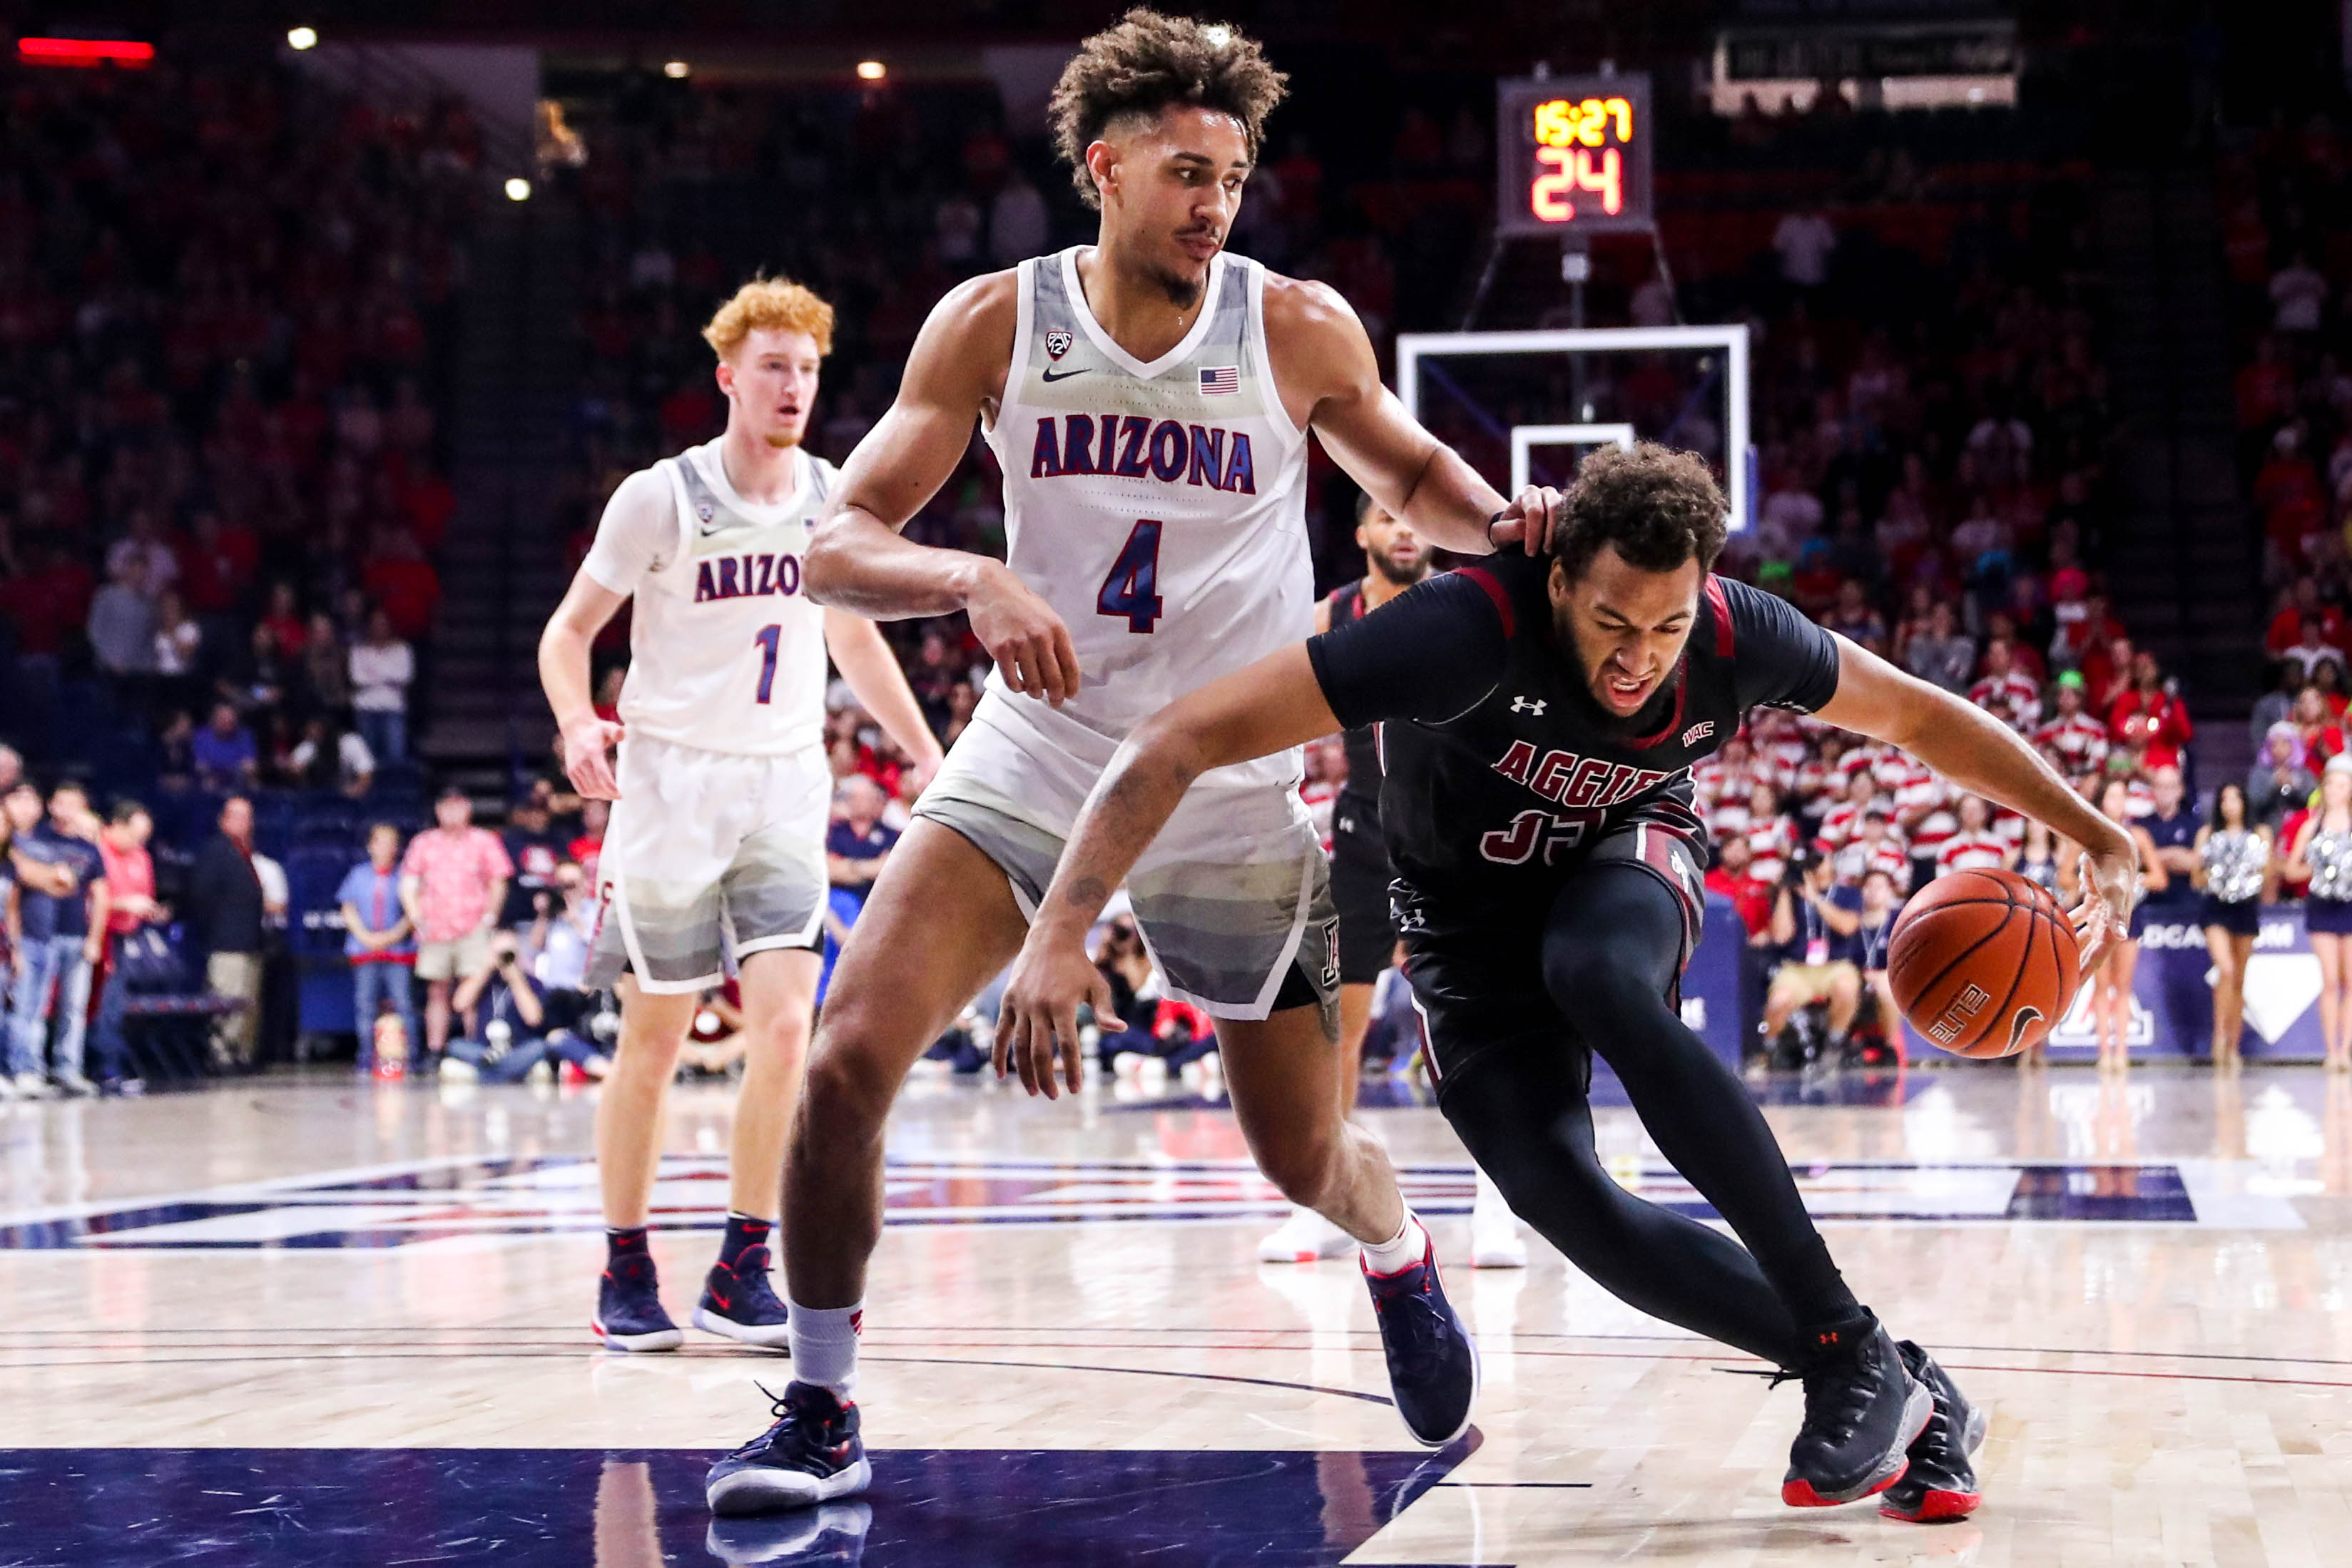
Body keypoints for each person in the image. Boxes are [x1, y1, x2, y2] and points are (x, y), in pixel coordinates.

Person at [704, 11, 1572, 1515]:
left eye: (1231, 176)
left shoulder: (1292, 322)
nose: (1213, 203)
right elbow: (833, 541)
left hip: (1229, 777)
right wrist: (968, 581)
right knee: (844, 1059)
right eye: (1185, 173)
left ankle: (1393, 1246)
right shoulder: (993, 320)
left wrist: (1503, 522)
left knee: (1301, 1154)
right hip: (1040, 751)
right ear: (1102, 169)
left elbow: (1411, 472)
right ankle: (823, 1401)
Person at [988, 441, 2140, 1527]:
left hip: (1623, 858)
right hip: (1459, 928)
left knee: (1594, 970)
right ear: (1554, 585)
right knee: (1565, 1203)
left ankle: (1839, 1342)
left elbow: (1920, 716)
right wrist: (1060, 929)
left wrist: (2092, 833)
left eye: (1667, 623)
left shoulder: (1743, 637)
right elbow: (1178, 734)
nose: (1640, 654)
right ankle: (1900, 1376)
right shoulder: (1459, 628)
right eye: (1609, 621)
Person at [538, 275, 942, 1356]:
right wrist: (579, 724)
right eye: (773, 366)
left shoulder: (830, 497)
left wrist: (930, 758)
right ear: (727, 376)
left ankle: (741, 1262)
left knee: (786, 1028)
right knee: (656, 1033)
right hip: (670, 784)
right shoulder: (658, 496)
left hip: (781, 784)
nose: (792, 386)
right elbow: (568, 633)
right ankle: (626, 1260)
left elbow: (857, 639)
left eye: (807, 369)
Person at [1264, 494, 1529, 1267]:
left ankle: (1497, 1205)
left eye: (1410, 516)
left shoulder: (1467, 608)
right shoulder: (1330, 613)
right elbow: (1271, 703)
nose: (1403, 527)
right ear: (1363, 534)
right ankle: (1323, 1201)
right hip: (1363, 826)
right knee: (1334, 1024)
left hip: (1455, 823)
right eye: (1385, 517)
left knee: (1474, 1019)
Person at [399, 788, 513, 1064]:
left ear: (468, 809)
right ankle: (435, 1050)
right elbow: (408, 883)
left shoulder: (484, 840)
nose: (452, 812)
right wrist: (416, 916)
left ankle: (474, 1048)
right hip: (435, 928)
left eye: (458, 806)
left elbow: (499, 880)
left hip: (473, 927)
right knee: (436, 990)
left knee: (473, 990)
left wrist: (490, 916)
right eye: (446, 807)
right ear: (438, 811)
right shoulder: (423, 843)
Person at [2076, 777, 2166, 1074]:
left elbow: (2159, 878)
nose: (2118, 803)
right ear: (2102, 801)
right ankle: (2103, 1051)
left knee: (2124, 986)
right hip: (2099, 915)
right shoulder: (2089, 835)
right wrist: (2091, 887)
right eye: (2112, 796)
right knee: (2100, 985)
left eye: (2122, 797)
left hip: (2129, 916)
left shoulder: (2137, 836)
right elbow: (2067, 875)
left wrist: (2130, 883)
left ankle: (2123, 1050)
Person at [187, 795, 267, 1071]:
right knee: (227, 1002)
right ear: (223, 820)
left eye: (248, 817)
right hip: (226, 941)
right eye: (236, 816)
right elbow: (202, 896)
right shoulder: (215, 852)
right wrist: (215, 932)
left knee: (247, 1004)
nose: (244, 822)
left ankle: (241, 1054)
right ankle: (221, 1055)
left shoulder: (245, 853)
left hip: (251, 941)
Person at [2196, 782, 2269, 1071]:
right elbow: (2196, 877)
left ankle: (2233, 1045)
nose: (2229, 804)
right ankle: (2219, 1036)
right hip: (2215, 906)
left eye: (2235, 798)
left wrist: (2244, 880)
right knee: (2224, 969)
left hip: (2246, 906)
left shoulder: (2260, 834)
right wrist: (2221, 878)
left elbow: (2267, 874)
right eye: (2224, 798)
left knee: (2238, 979)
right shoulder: (2208, 834)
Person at [89, 800, 162, 1091]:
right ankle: (96, 1069)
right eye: (134, 835)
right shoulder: (97, 851)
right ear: (117, 826)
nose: (138, 843)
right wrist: (123, 903)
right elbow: (88, 898)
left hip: (123, 938)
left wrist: (147, 909)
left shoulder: (141, 856)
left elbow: (144, 894)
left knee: (113, 1007)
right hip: (95, 937)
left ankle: (111, 1070)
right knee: (93, 1006)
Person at [2286, 754, 2352, 1073]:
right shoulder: (2312, 826)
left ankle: (2345, 1048)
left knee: (2351, 980)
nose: (2336, 790)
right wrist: (2321, 870)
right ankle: (2330, 1050)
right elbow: (2290, 869)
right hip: (2322, 904)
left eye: (2343, 784)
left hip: (2350, 904)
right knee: (2329, 980)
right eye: (2331, 784)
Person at [1766, 847, 1864, 1056]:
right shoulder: (1790, 896)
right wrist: (1785, 888)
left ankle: (1834, 1042)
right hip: (1797, 968)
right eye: (1811, 862)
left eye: (1820, 860)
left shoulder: (1847, 893)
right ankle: (1770, 1048)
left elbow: (1847, 926)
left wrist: (1816, 899)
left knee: (1846, 989)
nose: (1816, 865)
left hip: (1835, 965)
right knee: (1778, 1002)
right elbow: (1781, 935)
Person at [339, 824, 418, 1070]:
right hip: (365, 950)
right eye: (380, 842)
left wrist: (391, 937)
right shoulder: (358, 875)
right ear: (370, 846)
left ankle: (411, 1055)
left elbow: (412, 913)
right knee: (365, 1004)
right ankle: (365, 1055)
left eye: (391, 843)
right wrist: (366, 937)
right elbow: (348, 909)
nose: (385, 848)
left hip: (397, 951)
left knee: (403, 1002)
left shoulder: (405, 877)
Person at [1854, 867, 1905, 1064]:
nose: (1874, 891)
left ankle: (1890, 1045)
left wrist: (1881, 974)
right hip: (1857, 977)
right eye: (1869, 886)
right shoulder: (1851, 920)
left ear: (1890, 892)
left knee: (1886, 986)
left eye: (1880, 887)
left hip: (1888, 978)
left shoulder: (1899, 920)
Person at [350, 608, 414, 766]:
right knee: (366, 762)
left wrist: (373, 673)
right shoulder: (359, 650)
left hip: (393, 709)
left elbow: (404, 676)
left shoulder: (402, 649)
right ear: (369, 626)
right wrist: (388, 675)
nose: (379, 627)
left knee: (395, 759)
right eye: (375, 624)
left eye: (383, 624)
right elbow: (357, 678)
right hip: (366, 709)